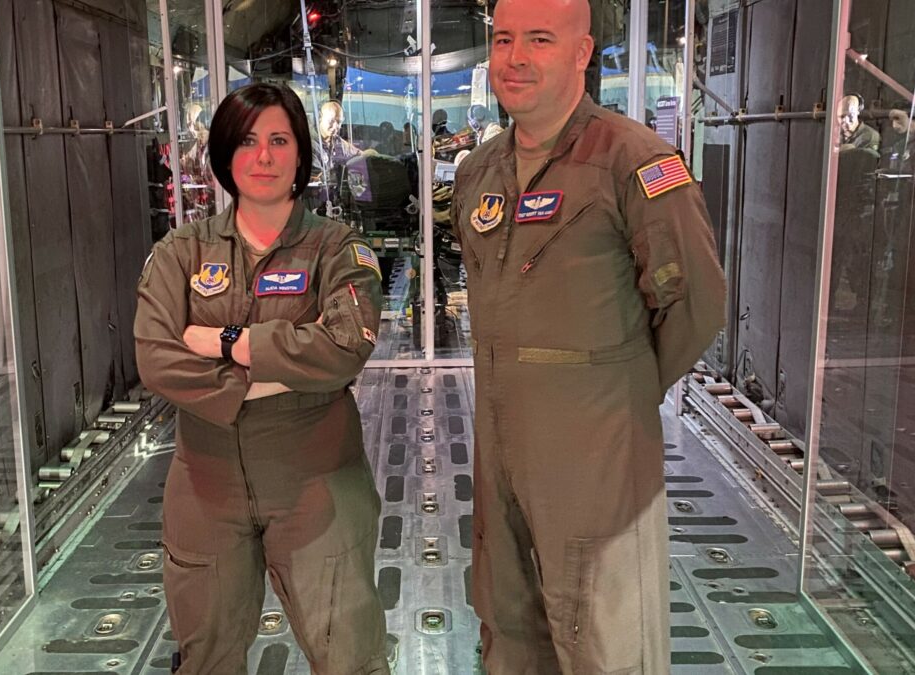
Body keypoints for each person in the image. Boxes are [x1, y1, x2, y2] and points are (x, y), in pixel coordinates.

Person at [450, 0, 726, 673]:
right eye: (504, 38)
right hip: (500, 455)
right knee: (508, 629)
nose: (515, 58)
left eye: (539, 39)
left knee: (607, 641)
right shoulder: (478, 174)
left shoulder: (636, 163)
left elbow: (698, 303)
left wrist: (614, 392)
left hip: (597, 461)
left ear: (582, 53)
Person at [134, 82, 389, 675]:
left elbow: (346, 348)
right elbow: (156, 358)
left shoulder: (337, 250)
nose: (264, 157)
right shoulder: (181, 253)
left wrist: (228, 344)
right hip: (205, 487)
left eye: (279, 140)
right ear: (225, 155)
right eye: (248, 141)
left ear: (301, 153)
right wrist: (281, 373)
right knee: (207, 657)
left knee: (349, 654)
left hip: (317, 482)